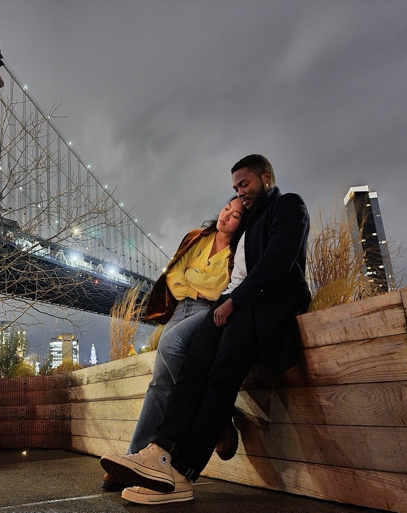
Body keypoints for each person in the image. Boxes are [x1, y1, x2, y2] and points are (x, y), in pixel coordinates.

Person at [101, 154, 311, 505]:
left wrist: (234, 301)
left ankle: (182, 475)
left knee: (219, 382)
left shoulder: (288, 206)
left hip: (257, 306)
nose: (239, 193)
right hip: (228, 306)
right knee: (193, 372)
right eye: (235, 188)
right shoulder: (245, 224)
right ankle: (159, 456)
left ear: (267, 178)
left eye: (245, 184)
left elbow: (278, 261)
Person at [103, 196, 247, 491]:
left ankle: (211, 414)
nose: (226, 216)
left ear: (242, 224)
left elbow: (218, 287)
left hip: (208, 311)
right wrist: (195, 280)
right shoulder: (197, 237)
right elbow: (173, 277)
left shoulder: (238, 251)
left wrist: (194, 279)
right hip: (180, 308)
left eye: (235, 216)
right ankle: (134, 461)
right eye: (226, 209)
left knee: (169, 345)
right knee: (158, 383)